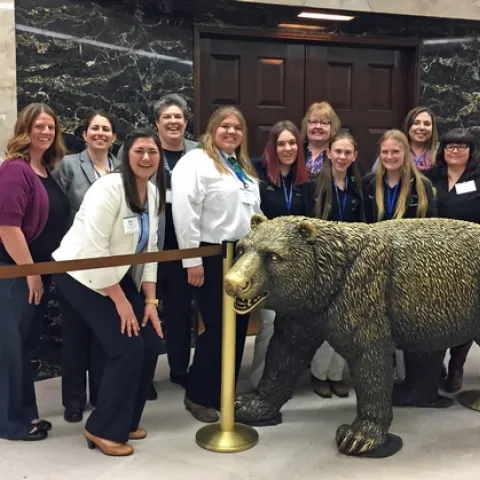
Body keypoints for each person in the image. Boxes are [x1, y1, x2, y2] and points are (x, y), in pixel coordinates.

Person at [52, 128, 166, 456]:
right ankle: (101, 428)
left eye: (152, 152)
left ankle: (126, 420)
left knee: (149, 345)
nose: (146, 158)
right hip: (79, 274)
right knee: (126, 349)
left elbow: (152, 251)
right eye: (139, 151)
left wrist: (149, 302)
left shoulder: (154, 192)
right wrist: (121, 303)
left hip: (112, 275)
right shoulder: (109, 189)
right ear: (126, 156)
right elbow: (95, 249)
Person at [172, 106, 261, 422]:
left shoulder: (239, 165)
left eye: (238, 127)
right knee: (219, 328)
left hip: (243, 257)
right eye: (225, 126)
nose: (232, 132)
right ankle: (199, 394)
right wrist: (191, 260)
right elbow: (185, 212)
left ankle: (225, 391)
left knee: (237, 327)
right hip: (210, 256)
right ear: (212, 128)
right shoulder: (195, 162)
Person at [119, 94, 198, 395]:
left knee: (179, 312)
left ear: (185, 122)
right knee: (144, 310)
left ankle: (179, 369)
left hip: (184, 249)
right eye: (167, 117)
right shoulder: (144, 152)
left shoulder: (198, 153)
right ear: (157, 123)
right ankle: (145, 375)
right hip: (146, 247)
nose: (173, 122)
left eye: (178, 117)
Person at [0, 103, 70, 441]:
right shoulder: (16, 170)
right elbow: (7, 227)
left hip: (35, 271)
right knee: (9, 350)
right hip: (12, 273)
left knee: (24, 348)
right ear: (24, 130)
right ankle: (9, 422)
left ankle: (24, 414)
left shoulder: (44, 169)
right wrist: (29, 272)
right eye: (38, 126)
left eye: (50, 127)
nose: (45, 132)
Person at [53, 111, 119, 423]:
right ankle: (74, 401)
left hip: (110, 265)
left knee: (102, 334)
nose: (100, 133)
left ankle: (100, 394)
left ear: (114, 137)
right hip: (75, 262)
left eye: (106, 129)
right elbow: (55, 209)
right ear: (85, 134)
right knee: (76, 334)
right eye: (95, 128)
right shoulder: (69, 165)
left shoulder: (121, 167)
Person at [249, 120, 314, 388]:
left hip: (294, 264)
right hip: (266, 263)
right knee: (269, 322)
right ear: (272, 147)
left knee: (294, 324)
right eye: (281, 143)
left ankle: (283, 378)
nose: (287, 148)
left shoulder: (305, 179)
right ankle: (260, 381)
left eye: (292, 143)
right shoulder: (257, 172)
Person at [424, 128, 480, 393]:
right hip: (434, 255)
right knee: (437, 309)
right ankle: (437, 365)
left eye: (461, 146)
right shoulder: (429, 177)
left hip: (471, 256)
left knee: (466, 312)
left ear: (471, 151)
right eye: (449, 147)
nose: (455, 151)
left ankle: (457, 365)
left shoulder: (478, 178)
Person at [310, 132, 364, 398]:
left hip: (350, 262)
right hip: (323, 263)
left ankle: (336, 373)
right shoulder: (315, 184)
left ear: (354, 156)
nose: (342, 157)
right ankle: (320, 374)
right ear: (328, 153)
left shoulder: (358, 186)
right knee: (327, 322)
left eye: (348, 153)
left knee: (348, 322)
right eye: (338, 152)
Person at [371, 106, 439, 172]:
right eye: (416, 123)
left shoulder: (441, 151)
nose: (422, 127)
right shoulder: (393, 148)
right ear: (408, 126)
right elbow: (376, 175)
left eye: (427, 124)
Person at [301, 102, 341, 179]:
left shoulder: (339, 154)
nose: (318, 126)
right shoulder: (296, 152)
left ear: (333, 127)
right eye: (313, 122)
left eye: (324, 123)